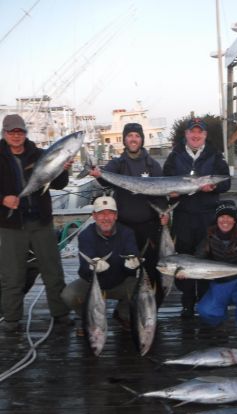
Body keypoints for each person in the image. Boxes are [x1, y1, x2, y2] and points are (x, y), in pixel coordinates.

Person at [0, 114, 73, 333]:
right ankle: (12, 318)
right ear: (4, 133)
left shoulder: (40, 154)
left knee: (53, 270)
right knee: (12, 275)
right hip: (11, 225)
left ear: (25, 133)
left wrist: (64, 167)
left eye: (19, 132)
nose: (16, 136)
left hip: (41, 221)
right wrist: (3, 198)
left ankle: (60, 314)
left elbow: (59, 184)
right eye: (11, 132)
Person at [90, 123, 168, 307]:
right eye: (130, 135)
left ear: (142, 139)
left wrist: (164, 213)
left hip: (149, 226)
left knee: (151, 268)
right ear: (125, 139)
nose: (133, 139)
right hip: (124, 227)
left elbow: (161, 193)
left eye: (137, 136)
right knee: (126, 268)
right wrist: (97, 175)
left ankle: (154, 307)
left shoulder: (152, 164)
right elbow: (105, 180)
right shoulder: (117, 163)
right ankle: (126, 309)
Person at [163, 117, 231, 318]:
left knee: (206, 259)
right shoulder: (174, 156)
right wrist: (170, 193)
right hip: (183, 217)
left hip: (208, 218)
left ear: (205, 135)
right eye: (192, 132)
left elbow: (226, 182)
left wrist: (214, 187)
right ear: (186, 134)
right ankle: (187, 302)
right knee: (182, 259)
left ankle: (204, 300)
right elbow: (165, 182)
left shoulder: (216, 156)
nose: (195, 135)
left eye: (199, 132)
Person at [61, 196, 140, 330]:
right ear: (94, 216)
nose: (106, 218)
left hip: (119, 282)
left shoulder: (127, 232)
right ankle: (88, 318)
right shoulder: (85, 235)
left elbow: (132, 253)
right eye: (101, 214)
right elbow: (84, 269)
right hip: (92, 284)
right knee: (69, 295)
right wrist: (93, 266)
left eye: (110, 213)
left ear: (116, 216)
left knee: (141, 290)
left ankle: (122, 314)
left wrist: (133, 263)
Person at [193, 200, 237, 339]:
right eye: (222, 216)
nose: (225, 220)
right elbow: (197, 260)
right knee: (204, 310)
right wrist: (185, 272)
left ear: (235, 220)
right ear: (216, 219)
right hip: (220, 283)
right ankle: (220, 322)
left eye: (229, 217)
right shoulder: (208, 237)